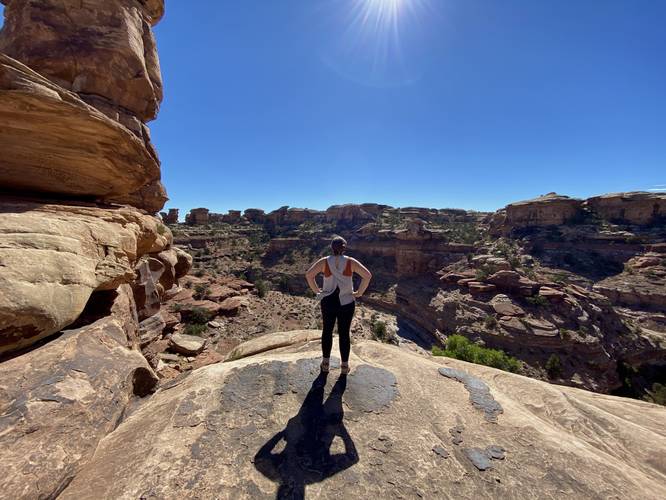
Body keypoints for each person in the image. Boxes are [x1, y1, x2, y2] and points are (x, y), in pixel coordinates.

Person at [305, 236, 372, 375]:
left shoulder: (324, 262)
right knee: (344, 334)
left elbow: (309, 275)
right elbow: (367, 275)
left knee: (327, 331)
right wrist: (359, 292)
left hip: (328, 301)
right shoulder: (350, 262)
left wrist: (318, 291)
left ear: (331, 247)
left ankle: (325, 363)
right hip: (346, 302)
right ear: (344, 248)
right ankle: (344, 366)